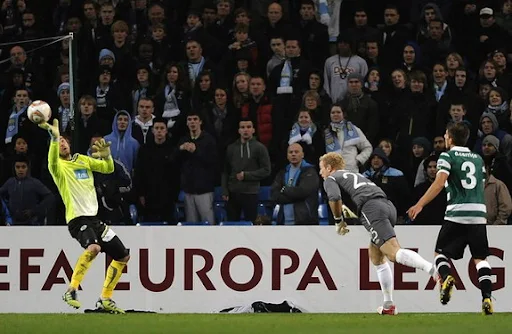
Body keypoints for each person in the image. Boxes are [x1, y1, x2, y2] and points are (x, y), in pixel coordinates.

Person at [319, 152, 435, 315]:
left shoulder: (331, 178)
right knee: (376, 256)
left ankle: (435, 271)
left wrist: (339, 221)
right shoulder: (354, 175)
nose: (320, 173)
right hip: (387, 206)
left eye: (321, 169)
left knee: (393, 253)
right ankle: (388, 305)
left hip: (372, 208)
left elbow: (334, 197)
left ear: (329, 168)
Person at [38, 119, 130, 314]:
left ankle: (105, 298)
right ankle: (71, 290)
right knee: (94, 248)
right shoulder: (58, 169)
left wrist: (107, 157)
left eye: (64, 140)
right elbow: (51, 160)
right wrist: (54, 139)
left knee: (123, 255)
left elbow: (107, 169)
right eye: (59, 141)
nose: (62, 143)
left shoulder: (82, 159)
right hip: (77, 219)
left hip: (94, 219)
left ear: (70, 144)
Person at [408, 122, 493, 315]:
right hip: (478, 214)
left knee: (440, 254)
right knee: (480, 258)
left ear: (450, 138)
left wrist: (420, 204)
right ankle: (487, 297)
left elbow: (439, 183)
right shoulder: (478, 159)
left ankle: (446, 277)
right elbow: (480, 186)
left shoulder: (447, 156)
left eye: (446, 135)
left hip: (457, 212)